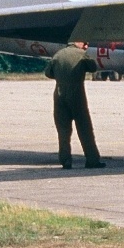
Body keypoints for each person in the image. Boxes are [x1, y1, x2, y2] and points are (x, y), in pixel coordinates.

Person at [45, 41, 105, 169]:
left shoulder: (58, 55)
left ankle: (65, 161)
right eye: (85, 43)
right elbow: (93, 68)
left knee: (63, 130)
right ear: (78, 42)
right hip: (77, 95)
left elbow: (48, 73)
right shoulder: (82, 55)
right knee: (85, 129)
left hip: (59, 95)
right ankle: (92, 160)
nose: (86, 46)